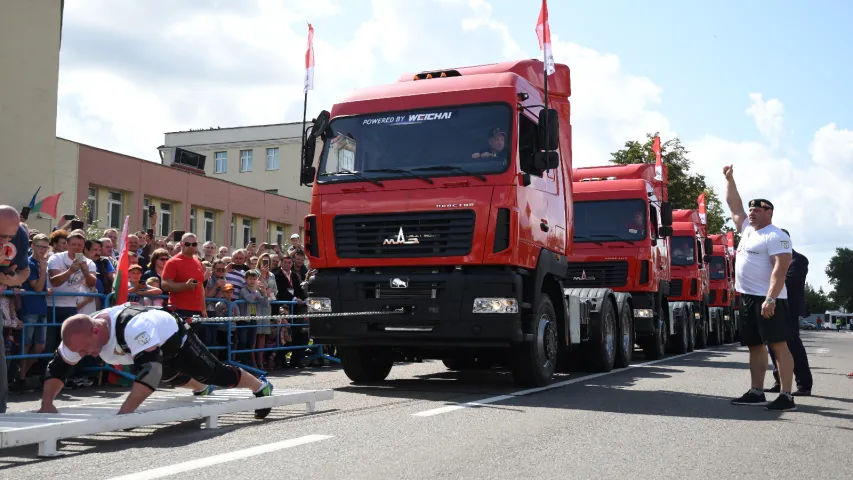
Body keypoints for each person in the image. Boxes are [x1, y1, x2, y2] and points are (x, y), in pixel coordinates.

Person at [36, 303, 274, 418]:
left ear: (96, 332)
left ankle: (261, 387)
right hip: (147, 349)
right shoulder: (79, 336)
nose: (84, 355)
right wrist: (47, 404)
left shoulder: (134, 328)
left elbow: (150, 372)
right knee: (173, 377)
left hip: (174, 339)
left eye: (85, 350)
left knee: (215, 374)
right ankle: (202, 388)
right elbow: (58, 368)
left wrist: (126, 412)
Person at [722, 165, 797, 412]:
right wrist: (730, 179)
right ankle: (757, 391)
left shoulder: (776, 236)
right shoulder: (746, 230)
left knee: (778, 345)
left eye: (757, 210)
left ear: (769, 213)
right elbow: (734, 206)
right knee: (755, 345)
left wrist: (771, 299)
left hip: (770, 300)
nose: (751, 213)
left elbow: (780, 269)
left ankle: (787, 395)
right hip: (749, 298)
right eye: (751, 209)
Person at [765, 228, 813, 396]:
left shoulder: (798, 260)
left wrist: (773, 279)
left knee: (793, 345)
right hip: (772, 305)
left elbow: (791, 281)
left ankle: (804, 384)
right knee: (773, 344)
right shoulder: (768, 260)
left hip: (790, 307)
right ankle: (779, 381)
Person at [0, 205, 32, 413]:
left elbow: (25, 271)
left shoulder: (19, 234)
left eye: (9, 236)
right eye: (1, 235)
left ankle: (0, 409)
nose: (5, 241)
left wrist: (13, 279)